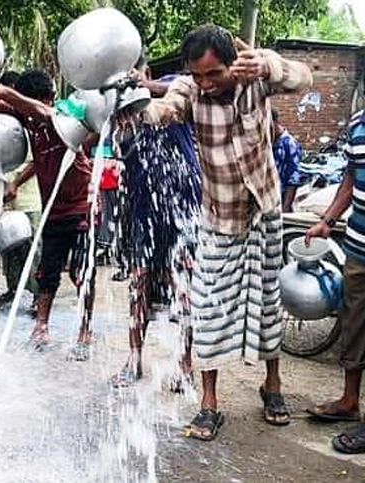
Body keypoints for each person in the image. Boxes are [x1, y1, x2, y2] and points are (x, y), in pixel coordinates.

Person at [137, 25, 312, 441]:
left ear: (234, 63)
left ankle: (273, 385)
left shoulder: (255, 76)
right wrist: (131, 103)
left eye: (213, 74)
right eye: (197, 75)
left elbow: (303, 76)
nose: (205, 84)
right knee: (208, 309)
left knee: (269, 302)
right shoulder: (189, 90)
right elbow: (160, 111)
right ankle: (209, 404)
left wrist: (269, 65)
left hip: (266, 209)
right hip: (219, 216)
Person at [0, 69, 99, 357]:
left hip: (81, 205)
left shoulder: (63, 114)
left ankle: (85, 332)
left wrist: (9, 94)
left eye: (34, 101)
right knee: (47, 271)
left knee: (81, 273)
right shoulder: (28, 118)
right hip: (53, 209)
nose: (30, 111)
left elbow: (41, 112)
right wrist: (16, 182)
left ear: (49, 97)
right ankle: (41, 327)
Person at [112, 54, 202, 390]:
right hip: (141, 209)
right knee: (139, 285)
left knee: (185, 287)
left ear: (144, 70)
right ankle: (133, 361)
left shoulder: (173, 88)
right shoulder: (116, 107)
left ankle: (184, 366)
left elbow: (186, 90)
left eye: (133, 73)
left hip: (183, 205)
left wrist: (144, 86)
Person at [304, 108, 365, 454]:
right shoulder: (357, 124)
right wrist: (327, 220)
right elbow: (350, 180)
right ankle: (349, 401)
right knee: (353, 324)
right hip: (358, 246)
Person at [0, 70, 41, 312]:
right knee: (9, 248)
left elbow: (36, 162)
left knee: (32, 249)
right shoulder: (3, 122)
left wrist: (15, 184)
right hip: (6, 197)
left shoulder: (31, 123)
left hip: (29, 197)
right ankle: (13, 289)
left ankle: (36, 297)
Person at [271, 109, 303, 212]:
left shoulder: (290, 144)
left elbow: (293, 180)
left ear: (275, 122)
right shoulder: (267, 142)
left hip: (281, 199)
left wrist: (285, 209)